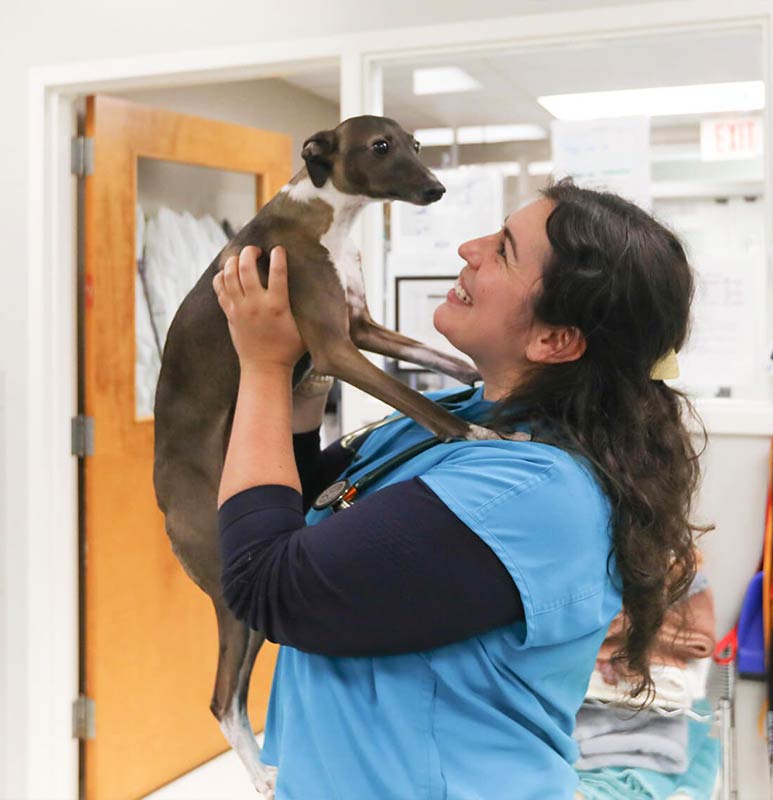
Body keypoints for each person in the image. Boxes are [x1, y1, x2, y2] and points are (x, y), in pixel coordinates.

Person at [212, 178, 707, 800]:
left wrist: (263, 365)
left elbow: (268, 581)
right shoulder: (459, 414)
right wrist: (311, 367)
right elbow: (299, 496)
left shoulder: (535, 492)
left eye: (503, 250)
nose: (468, 248)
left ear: (555, 340)